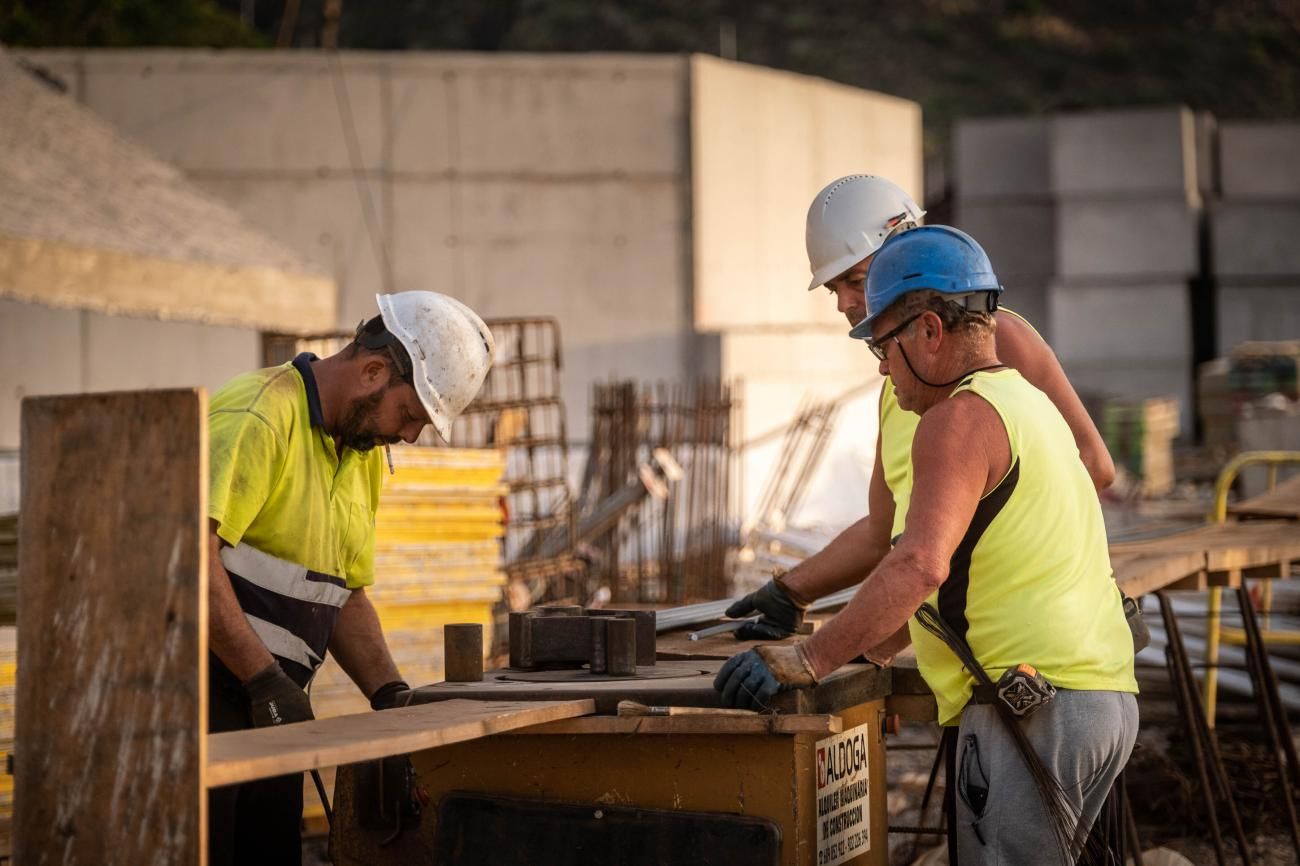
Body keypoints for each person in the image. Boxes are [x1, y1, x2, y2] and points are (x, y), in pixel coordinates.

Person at [715, 227, 1138, 865]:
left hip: (1035, 705)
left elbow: (918, 564)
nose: (883, 367)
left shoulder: (957, 419)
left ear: (930, 332)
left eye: (883, 345)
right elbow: (977, 573)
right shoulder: (1027, 402)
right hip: (1095, 696)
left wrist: (808, 660)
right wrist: (871, 645)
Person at [725, 174, 1114, 649]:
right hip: (976, 663)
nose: (846, 303)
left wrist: (943, 569)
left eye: (853, 279)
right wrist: (791, 591)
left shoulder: (994, 341)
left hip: (1033, 654)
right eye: (834, 290)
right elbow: (883, 530)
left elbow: (1092, 466)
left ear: (905, 251)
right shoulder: (898, 386)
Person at [206, 290, 495, 866]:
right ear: (372, 371)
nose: (409, 436)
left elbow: (342, 594)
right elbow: (185, 560)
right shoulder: (261, 416)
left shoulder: (358, 456)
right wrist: (263, 680)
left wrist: (391, 695)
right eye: (409, 415)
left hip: (271, 707)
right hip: (200, 705)